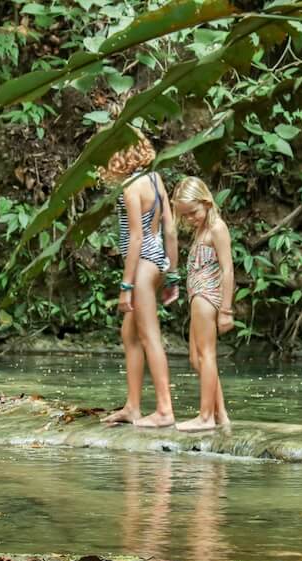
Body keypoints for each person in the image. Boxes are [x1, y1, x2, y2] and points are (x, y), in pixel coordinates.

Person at [99, 130, 180, 428]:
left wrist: (126, 286)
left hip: (143, 266)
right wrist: (172, 274)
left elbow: (135, 239)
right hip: (158, 260)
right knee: (130, 335)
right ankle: (132, 407)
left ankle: (164, 410)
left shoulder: (131, 188)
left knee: (149, 337)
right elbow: (169, 229)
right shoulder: (156, 179)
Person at [172, 177, 234, 432]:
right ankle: (221, 414)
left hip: (208, 297)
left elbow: (227, 269)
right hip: (196, 296)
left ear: (207, 202)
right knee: (196, 358)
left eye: (193, 213)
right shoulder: (200, 231)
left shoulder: (217, 228)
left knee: (207, 355)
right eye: (184, 215)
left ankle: (206, 416)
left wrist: (226, 310)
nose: (190, 219)